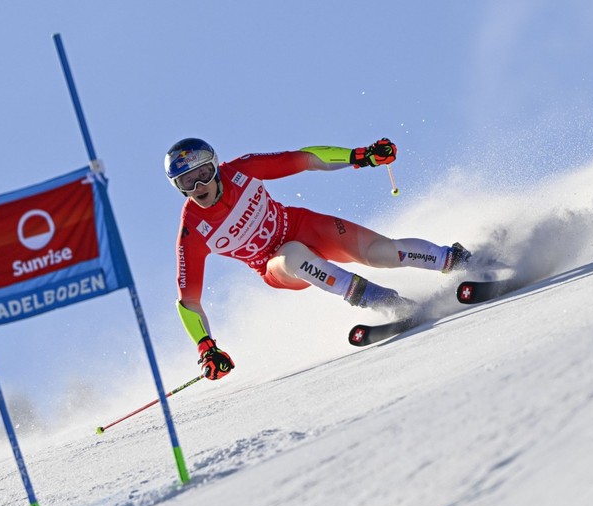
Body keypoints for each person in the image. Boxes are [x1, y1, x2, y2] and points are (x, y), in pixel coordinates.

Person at [165, 137, 470, 381]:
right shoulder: (193, 230)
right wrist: (207, 348)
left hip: (303, 226)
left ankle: (457, 260)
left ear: (215, 167)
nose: (198, 187)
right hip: (276, 266)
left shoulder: (242, 170)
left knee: (382, 252)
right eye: (186, 182)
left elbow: (306, 159)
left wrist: (360, 156)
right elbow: (188, 301)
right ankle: (385, 301)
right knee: (294, 256)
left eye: (202, 174)